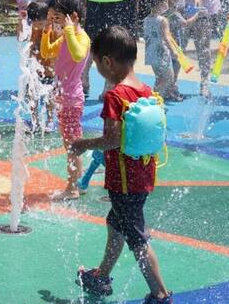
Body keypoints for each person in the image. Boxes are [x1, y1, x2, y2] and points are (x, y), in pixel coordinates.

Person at [70, 26, 172, 303]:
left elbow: (112, 140)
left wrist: (82, 144)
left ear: (107, 61)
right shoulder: (145, 90)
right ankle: (101, 276)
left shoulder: (116, 96)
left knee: (137, 238)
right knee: (116, 223)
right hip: (143, 174)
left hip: (123, 182)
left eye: (96, 64)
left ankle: (160, 294)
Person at [40, 0, 90, 200]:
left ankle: (72, 188)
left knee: (72, 146)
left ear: (74, 17)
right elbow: (47, 52)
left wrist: (68, 29)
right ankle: (78, 181)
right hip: (64, 97)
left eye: (59, 18)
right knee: (70, 143)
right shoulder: (66, 35)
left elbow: (78, 54)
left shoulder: (81, 37)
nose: (57, 22)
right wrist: (47, 31)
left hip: (71, 99)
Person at [142, 0, 182, 101]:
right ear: (161, 3)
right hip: (161, 54)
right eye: (165, 1)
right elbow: (167, 37)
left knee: (159, 78)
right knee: (169, 78)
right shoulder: (163, 20)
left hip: (150, 53)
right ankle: (153, 99)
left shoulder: (146, 20)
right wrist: (174, 51)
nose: (167, 3)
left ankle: (156, 98)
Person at [26, 1, 55, 131]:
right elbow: (30, 47)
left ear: (47, 18)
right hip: (35, 69)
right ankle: (34, 120)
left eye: (40, 24)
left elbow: (56, 51)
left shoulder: (53, 30)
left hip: (49, 70)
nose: (37, 26)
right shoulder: (33, 29)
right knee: (31, 94)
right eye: (34, 23)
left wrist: (53, 67)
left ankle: (50, 120)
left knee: (50, 97)